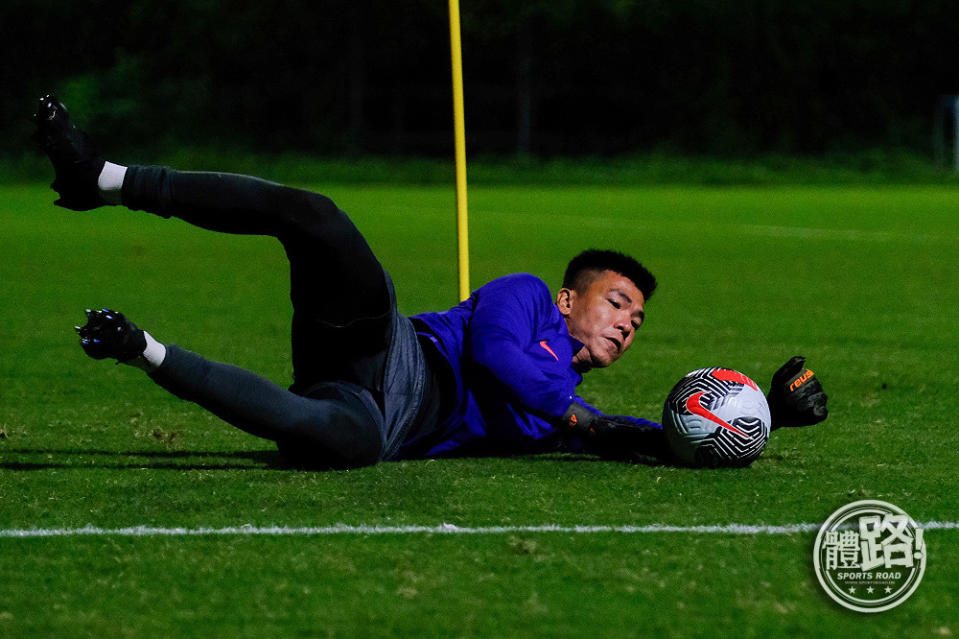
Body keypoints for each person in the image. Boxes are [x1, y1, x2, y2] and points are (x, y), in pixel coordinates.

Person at [33, 95, 828, 469]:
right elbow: (489, 355)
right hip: (386, 346)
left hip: (374, 417)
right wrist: (578, 419)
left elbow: (653, 438)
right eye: (618, 301)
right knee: (315, 217)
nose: (628, 323)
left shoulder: (567, 412)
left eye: (638, 321)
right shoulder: (521, 300)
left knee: (335, 443)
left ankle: (142, 348)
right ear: (567, 297)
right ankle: (102, 176)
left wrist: (762, 418)